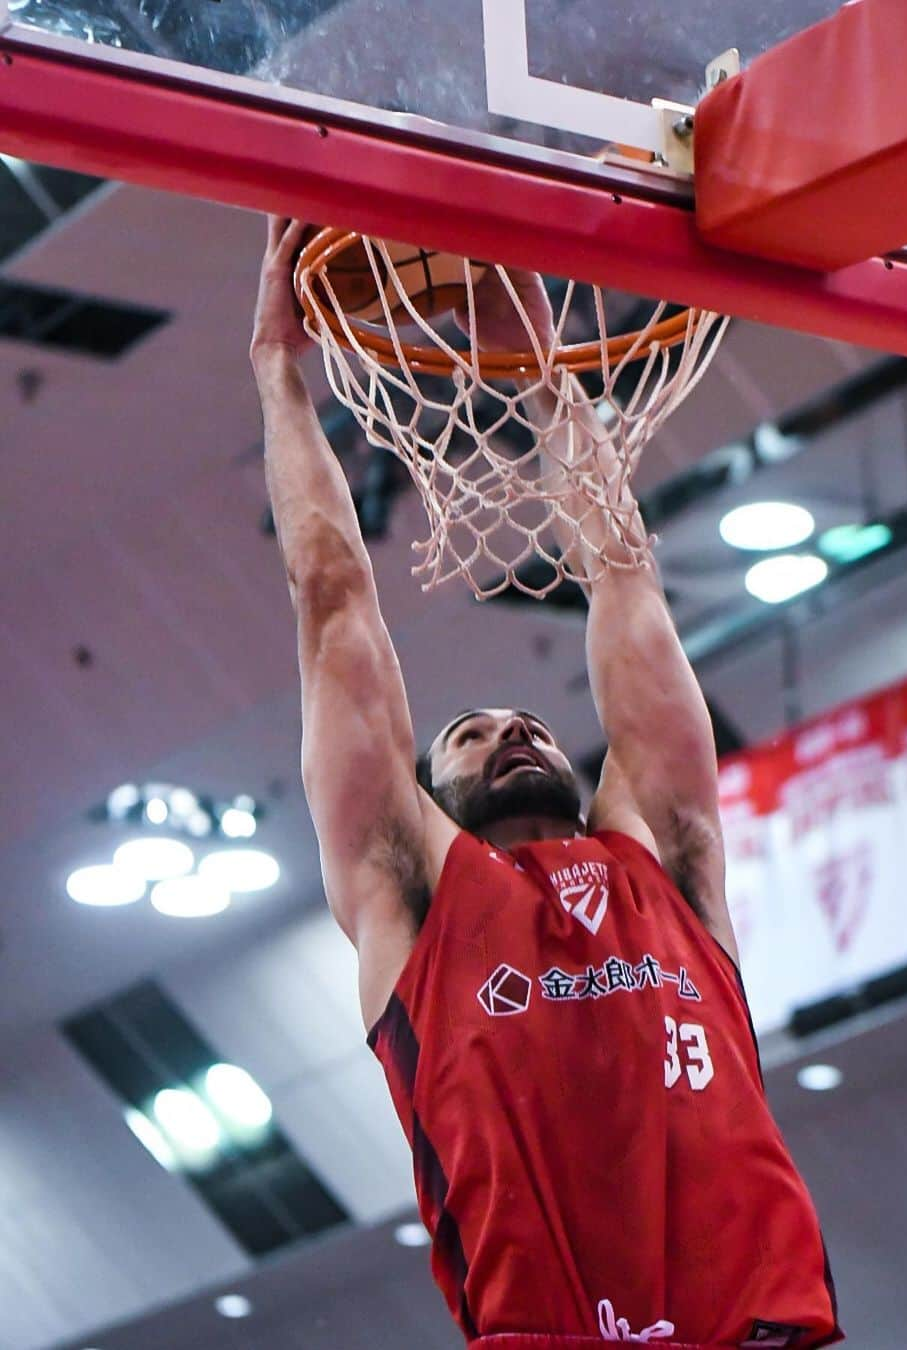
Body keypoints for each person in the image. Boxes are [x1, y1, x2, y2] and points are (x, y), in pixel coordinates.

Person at [250, 217, 843, 1349]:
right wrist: (277, 375)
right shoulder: (413, 896)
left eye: (525, 723)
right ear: (424, 797)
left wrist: (542, 369)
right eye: (467, 735)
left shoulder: (665, 856)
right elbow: (330, 599)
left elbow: (623, 580)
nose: (513, 729)